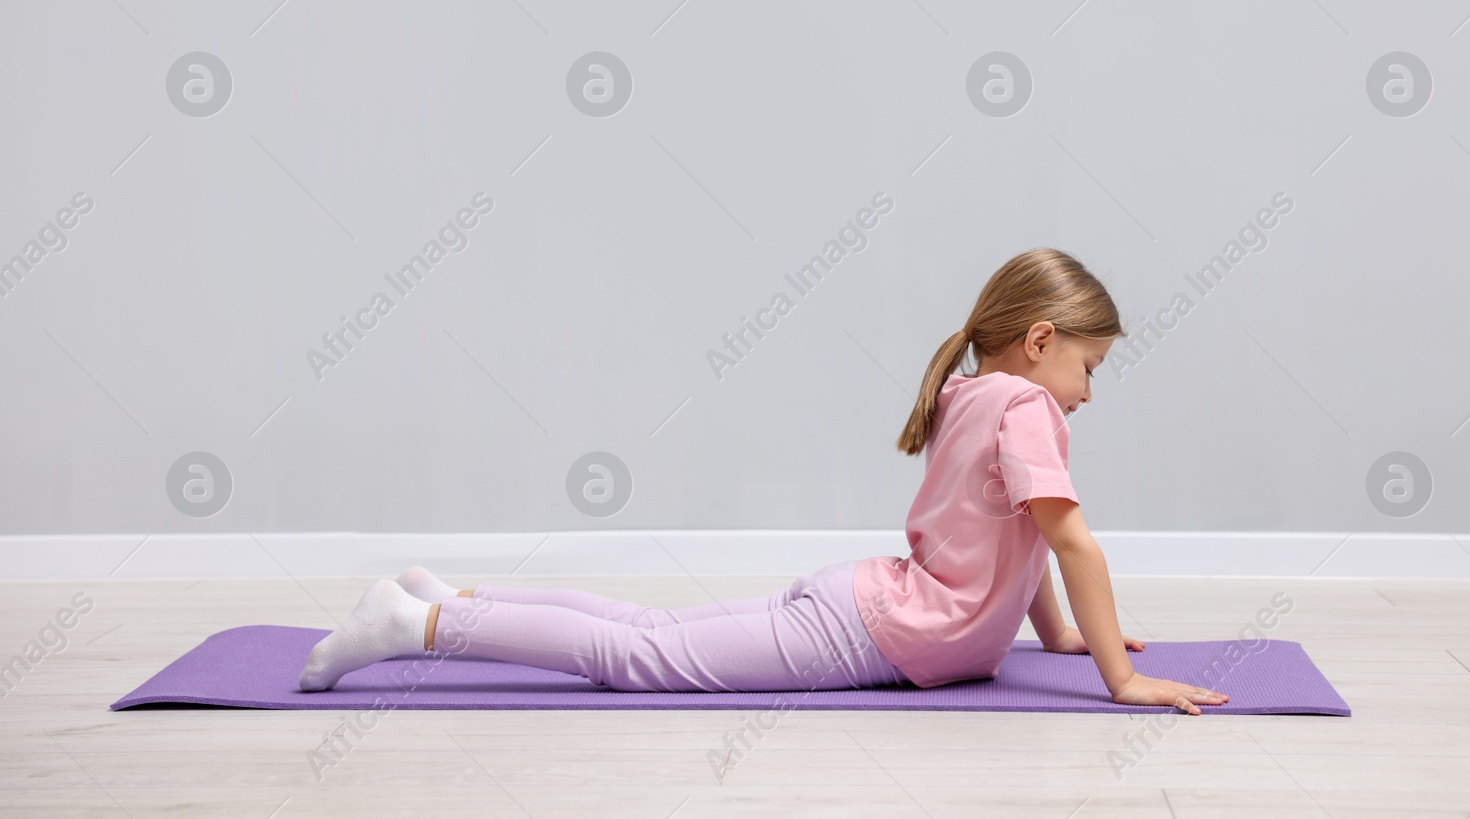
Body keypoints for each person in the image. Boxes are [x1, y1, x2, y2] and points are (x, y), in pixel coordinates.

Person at [299, 247, 1229, 714]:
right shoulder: (1032, 410)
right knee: (636, 659)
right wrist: (1122, 678)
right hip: (873, 630)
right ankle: (420, 623)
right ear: (1039, 342)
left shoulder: (972, 391)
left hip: (860, 601)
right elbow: (1069, 540)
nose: (1090, 390)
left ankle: (450, 595)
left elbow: (1014, 541)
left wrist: (1058, 634)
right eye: (1090, 365)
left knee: (643, 629)